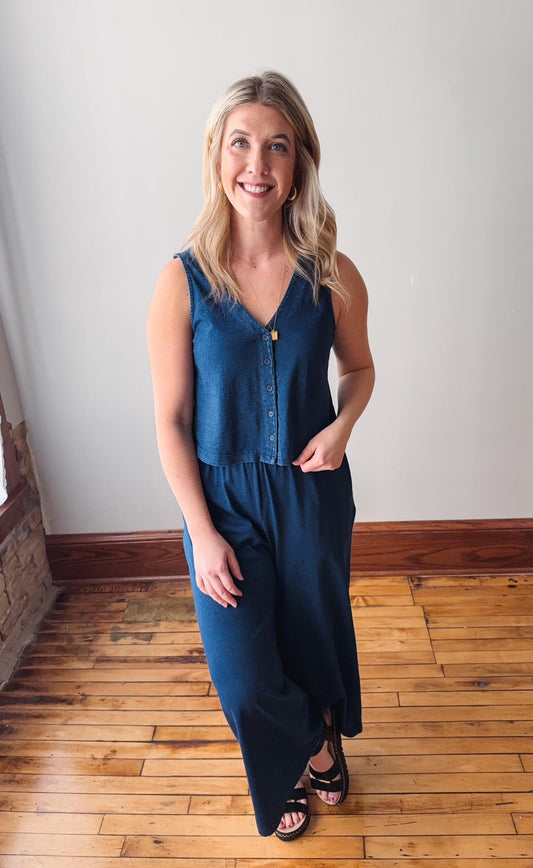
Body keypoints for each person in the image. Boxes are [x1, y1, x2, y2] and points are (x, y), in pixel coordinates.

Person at [147, 70, 375, 841]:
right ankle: (309, 739)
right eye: (241, 142)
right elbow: (171, 422)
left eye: (277, 146)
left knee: (312, 635)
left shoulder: (332, 275)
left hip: (311, 494)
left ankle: (310, 746)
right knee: (243, 672)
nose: (258, 163)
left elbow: (360, 371)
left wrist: (342, 425)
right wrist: (201, 532)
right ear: (217, 156)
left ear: (300, 161)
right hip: (221, 502)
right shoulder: (181, 283)